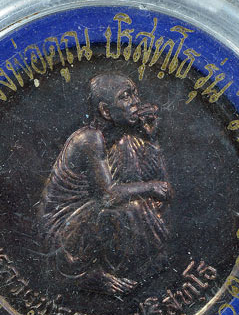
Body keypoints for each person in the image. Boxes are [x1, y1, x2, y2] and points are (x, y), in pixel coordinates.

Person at [38, 72, 173, 296]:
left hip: (92, 217)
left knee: (140, 205)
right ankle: (91, 276)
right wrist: (149, 187)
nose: (136, 102)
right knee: (132, 207)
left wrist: (151, 139)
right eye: (125, 96)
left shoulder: (125, 140)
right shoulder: (89, 139)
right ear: (105, 111)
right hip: (62, 234)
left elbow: (162, 193)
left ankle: (137, 275)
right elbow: (108, 196)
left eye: (135, 94)